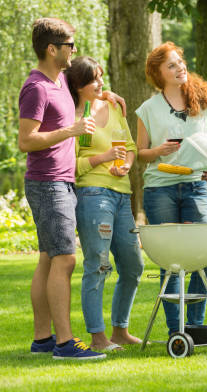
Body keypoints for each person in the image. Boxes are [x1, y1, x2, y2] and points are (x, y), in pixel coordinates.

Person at [18, 18, 122, 360]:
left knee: (48, 259)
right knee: (65, 259)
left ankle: (42, 339)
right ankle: (65, 343)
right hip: (48, 183)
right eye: (69, 46)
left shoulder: (60, 79)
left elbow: (84, 84)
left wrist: (106, 93)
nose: (74, 51)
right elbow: (25, 141)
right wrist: (70, 131)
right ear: (52, 49)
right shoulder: (36, 88)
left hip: (61, 180)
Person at [136, 42, 207, 335]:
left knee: (205, 257)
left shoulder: (206, 101)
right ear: (158, 73)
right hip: (159, 189)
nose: (180, 68)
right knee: (171, 262)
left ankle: (195, 326)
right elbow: (140, 153)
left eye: (180, 62)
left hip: (196, 187)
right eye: (171, 65)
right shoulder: (148, 109)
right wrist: (158, 151)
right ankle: (176, 331)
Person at [65, 56, 144, 351]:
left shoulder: (113, 107)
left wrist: (125, 165)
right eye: (94, 79)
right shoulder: (72, 117)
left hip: (123, 195)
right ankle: (98, 337)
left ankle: (120, 330)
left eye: (101, 76)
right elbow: (70, 167)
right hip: (92, 195)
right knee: (98, 264)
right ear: (78, 85)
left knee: (133, 265)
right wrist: (102, 158)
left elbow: (131, 148)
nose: (101, 83)